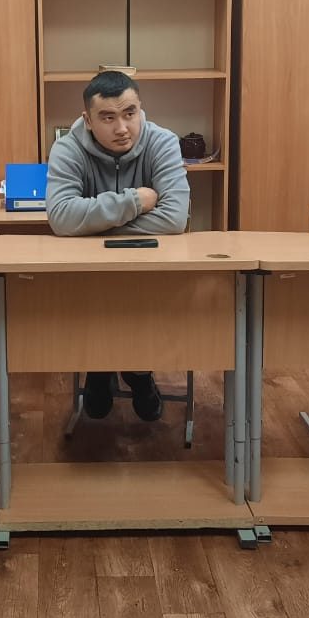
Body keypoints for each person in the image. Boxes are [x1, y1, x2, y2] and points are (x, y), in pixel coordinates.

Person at [45, 70, 190, 421]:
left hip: (151, 270)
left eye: (130, 113)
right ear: (88, 120)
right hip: (88, 275)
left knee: (143, 302)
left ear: (141, 109)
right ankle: (98, 369)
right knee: (94, 301)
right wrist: (135, 201)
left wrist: (91, 225)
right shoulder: (67, 147)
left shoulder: (163, 142)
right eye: (108, 118)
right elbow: (61, 217)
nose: (122, 127)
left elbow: (174, 218)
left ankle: (140, 373)